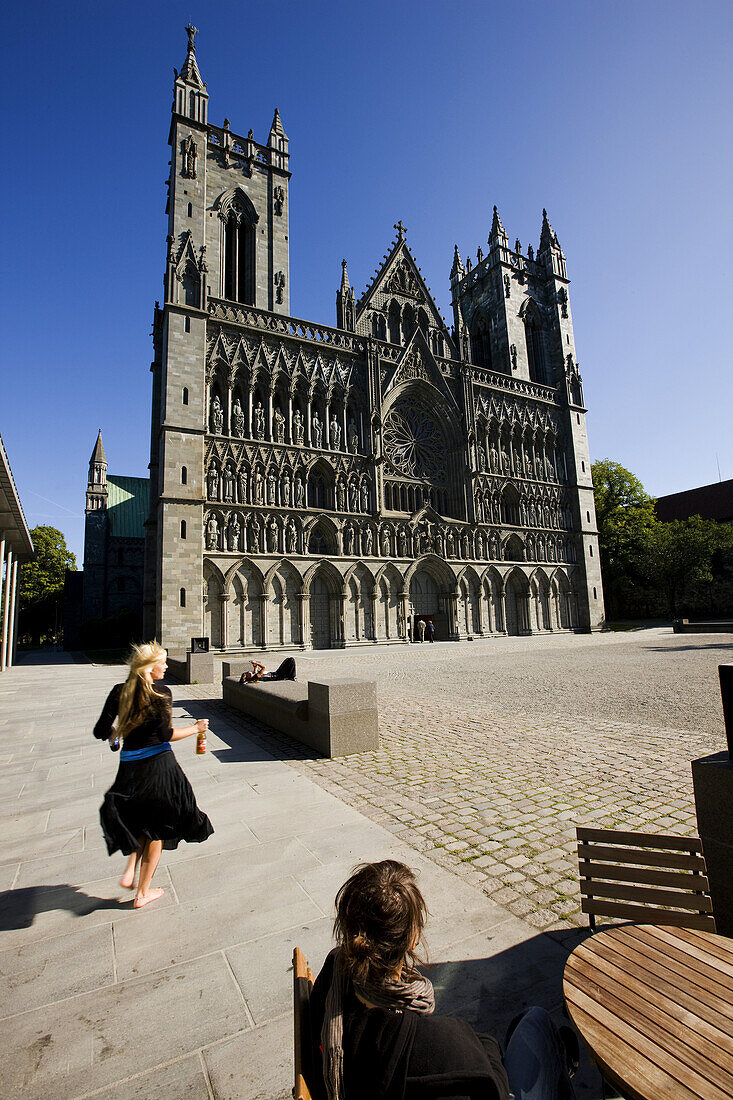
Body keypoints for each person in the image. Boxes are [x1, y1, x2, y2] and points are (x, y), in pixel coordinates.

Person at [309, 860, 578, 1100]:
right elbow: (494, 1082)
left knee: (533, 1033)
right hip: (490, 1076)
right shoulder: (436, 1044)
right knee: (536, 1021)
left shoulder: (333, 978)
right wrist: (485, 1046)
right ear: (413, 939)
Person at [93, 641, 213, 909]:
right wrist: (195, 728)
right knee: (159, 828)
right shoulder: (161, 693)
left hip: (130, 769)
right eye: (164, 662)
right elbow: (165, 735)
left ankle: (129, 871)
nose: (167, 666)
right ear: (151, 666)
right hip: (160, 767)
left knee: (141, 820)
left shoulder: (118, 692)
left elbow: (101, 730)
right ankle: (142, 893)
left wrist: (114, 736)